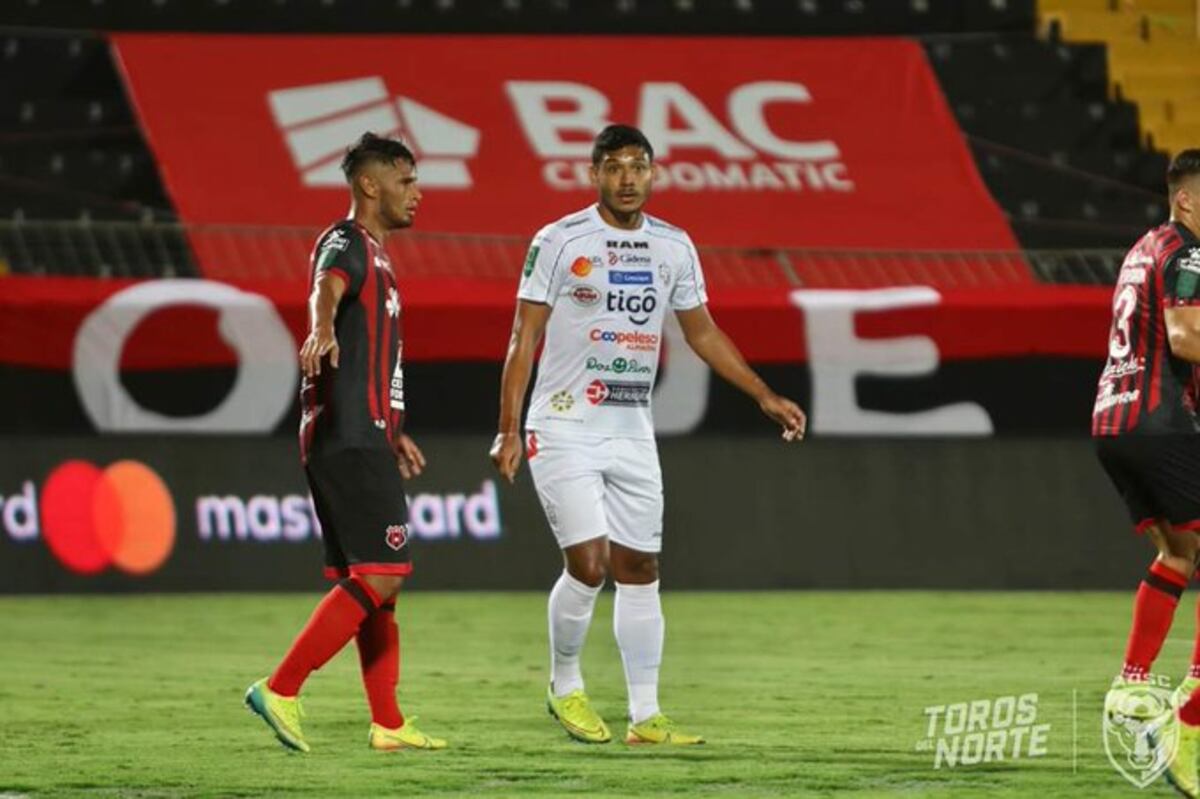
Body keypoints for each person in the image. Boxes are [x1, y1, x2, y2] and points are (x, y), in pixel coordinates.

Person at [489, 124, 807, 746]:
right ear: (594, 174)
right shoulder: (559, 240)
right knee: (589, 565)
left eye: (638, 166)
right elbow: (523, 337)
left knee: (639, 567)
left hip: (632, 431)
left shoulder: (673, 246)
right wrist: (507, 428)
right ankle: (564, 685)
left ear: (654, 173)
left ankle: (645, 716)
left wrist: (764, 394)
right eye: (614, 167)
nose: (627, 178)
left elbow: (702, 332)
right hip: (563, 424)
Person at [245, 132, 445, 753]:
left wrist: (395, 430)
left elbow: (376, 358)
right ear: (369, 184)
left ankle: (388, 723)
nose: (416, 192)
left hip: (366, 432)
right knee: (383, 574)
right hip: (349, 434)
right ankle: (280, 688)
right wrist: (321, 327)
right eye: (405, 180)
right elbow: (324, 288)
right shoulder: (347, 241)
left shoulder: (380, 258)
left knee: (377, 587)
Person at [1095, 149, 1200, 795]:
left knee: (1179, 551)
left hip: (1113, 420)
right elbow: (1184, 338)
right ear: (1185, 198)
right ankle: (1191, 714)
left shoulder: (1144, 247)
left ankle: (1131, 687)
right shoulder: (1189, 252)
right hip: (1159, 421)